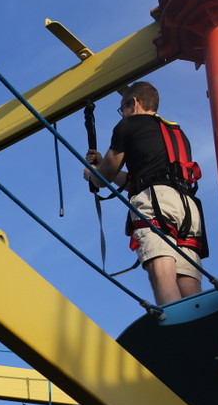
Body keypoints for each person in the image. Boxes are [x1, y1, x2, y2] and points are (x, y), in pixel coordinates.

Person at [84, 81, 208, 306]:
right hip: (188, 207)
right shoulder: (174, 131)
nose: (123, 115)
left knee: (162, 273)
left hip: (155, 202)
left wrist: (93, 174)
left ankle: (175, 325)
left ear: (134, 102)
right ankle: (201, 327)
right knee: (188, 282)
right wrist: (103, 166)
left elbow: (106, 176)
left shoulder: (128, 126)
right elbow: (139, 175)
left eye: (123, 109)